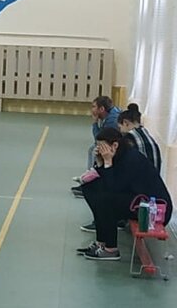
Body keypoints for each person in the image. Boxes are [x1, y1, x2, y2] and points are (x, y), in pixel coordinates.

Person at [78, 126, 172, 261]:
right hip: (137, 200)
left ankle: (111, 249)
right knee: (90, 187)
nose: (100, 150)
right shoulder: (119, 155)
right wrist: (100, 163)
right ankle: (101, 242)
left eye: (102, 147)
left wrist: (107, 162)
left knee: (106, 200)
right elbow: (106, 181)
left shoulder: (130, 159)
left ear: (115, 145)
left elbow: (112, 188)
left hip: (154, 209)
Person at [71, 95, 121, 195]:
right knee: (92, 149)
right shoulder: (109, 115)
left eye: (94, 107)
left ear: (101, 109)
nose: (92, 109)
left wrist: (94, 123)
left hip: (118, 147)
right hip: (114, 143)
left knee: (95, 151)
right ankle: (88, 178)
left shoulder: (112, 120)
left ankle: (90, 183)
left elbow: (99, 139)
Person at [118, 103, 162, 172]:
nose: (120, 131)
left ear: (125, 123)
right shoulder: (149, 137)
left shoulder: (129, 138)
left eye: (119, 127)